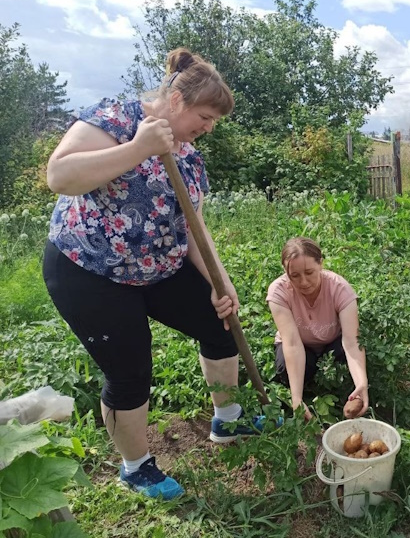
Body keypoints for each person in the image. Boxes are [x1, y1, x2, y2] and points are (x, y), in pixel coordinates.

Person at [43, 48, 265, 500]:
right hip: (90, 270)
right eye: (205, 116)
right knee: (130, 370)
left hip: (158, 269)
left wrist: (222, 283)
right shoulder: (116, 118)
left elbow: (195, 228)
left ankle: (228, 419)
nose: (208, 127)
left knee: (217, 319)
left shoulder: (188, 156)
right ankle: (136, 467)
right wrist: (139, 148)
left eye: (214, 122)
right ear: (178, 101)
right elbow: (59, 176)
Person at [267, 237, 369, 421]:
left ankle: (348, 388)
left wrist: (362, 383)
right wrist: (296, 397)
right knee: (284, 369)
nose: (303, 282)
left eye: (309, 272)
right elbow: (291, 343)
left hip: (332, 343)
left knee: (343, 361)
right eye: (295, 275)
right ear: (285, 271)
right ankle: (303, 389)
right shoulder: (279, 292)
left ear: (321, 264)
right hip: (301, 344)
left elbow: (352, 341)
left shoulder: (340, 289)